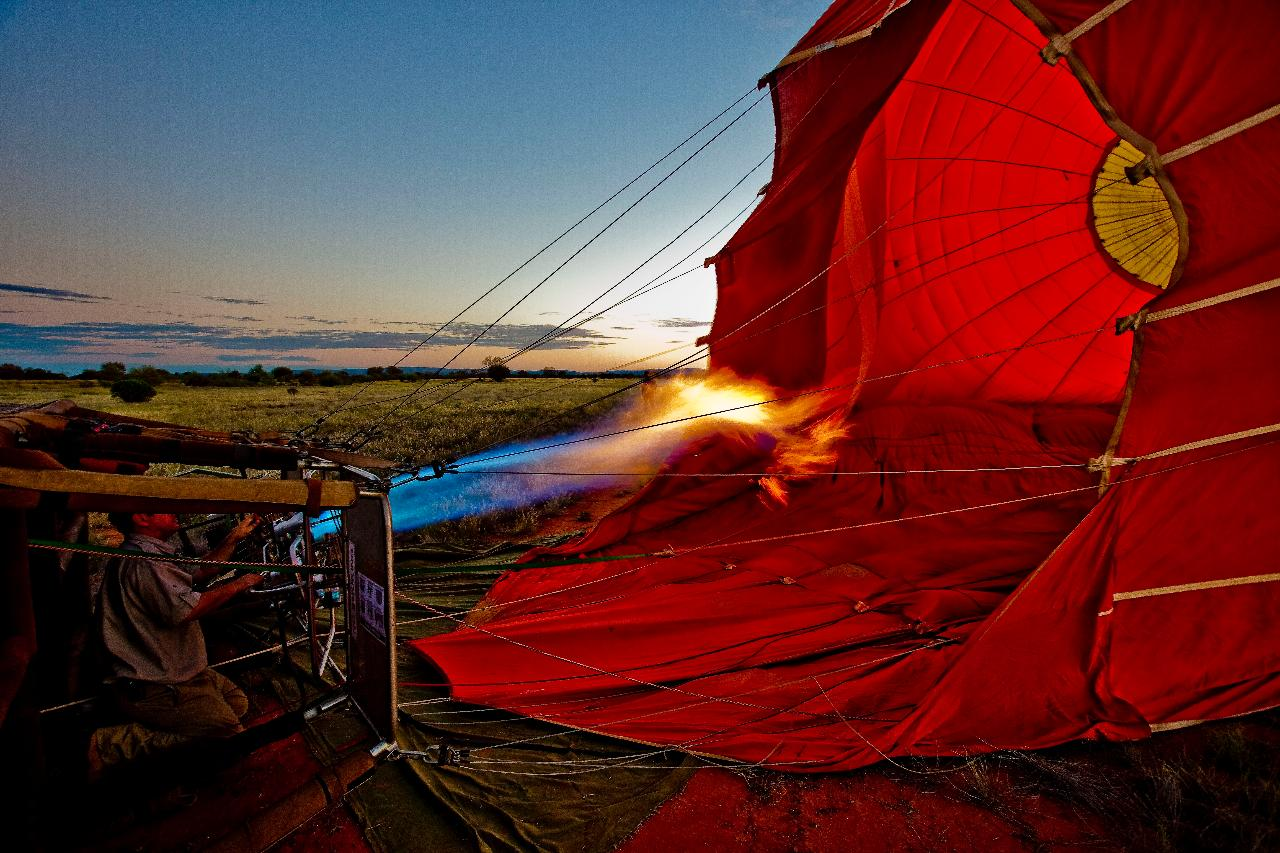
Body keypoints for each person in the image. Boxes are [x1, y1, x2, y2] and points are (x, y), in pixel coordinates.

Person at [90, 511, 265, 771]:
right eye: (162, 508)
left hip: (179, 670)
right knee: (230, 737)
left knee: (237, 703)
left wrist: (234, 536)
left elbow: (200, 571)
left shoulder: (153, 552)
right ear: (142, 518)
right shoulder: (144, 562)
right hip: (154, 682)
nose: (173, 511)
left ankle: (177, 725)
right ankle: (111, 745)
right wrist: (239, 585)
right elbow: (184, 611)